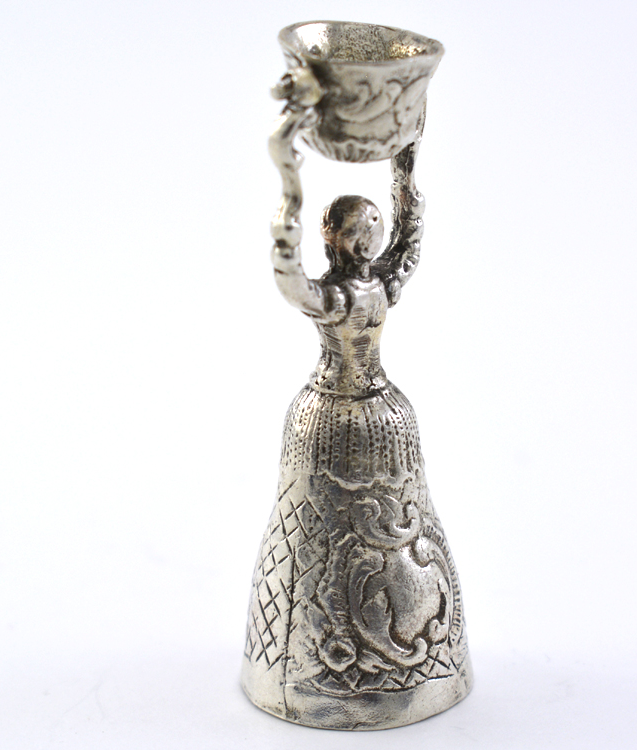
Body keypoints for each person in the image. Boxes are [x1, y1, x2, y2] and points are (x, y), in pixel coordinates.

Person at [241, 73, 472, 729]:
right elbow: (291, 280)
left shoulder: (377, 285)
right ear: (339, 240)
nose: (374, 236)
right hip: (330, 414)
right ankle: (300, 661)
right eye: (362, 229)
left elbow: (411, 241)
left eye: (376, 225)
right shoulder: (335, 297)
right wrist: (287, 173)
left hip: (382, 410)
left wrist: (407, 155)